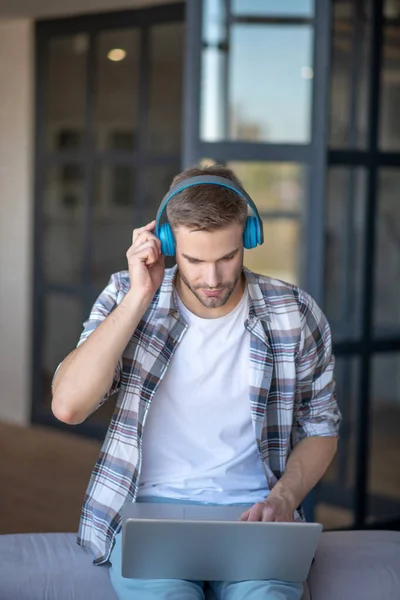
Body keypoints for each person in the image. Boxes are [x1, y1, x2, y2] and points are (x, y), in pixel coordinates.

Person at [51, 164, 341, 600]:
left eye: (227, 257)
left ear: (248, 236)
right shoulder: (124, 296)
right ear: (167, 242)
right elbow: (68, 407)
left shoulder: (294, 313)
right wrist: (138, 298)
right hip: (149, 516)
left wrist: (284, 497)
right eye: (195, 260)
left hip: (256, 520)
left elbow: (322, 428)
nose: (212, 278)